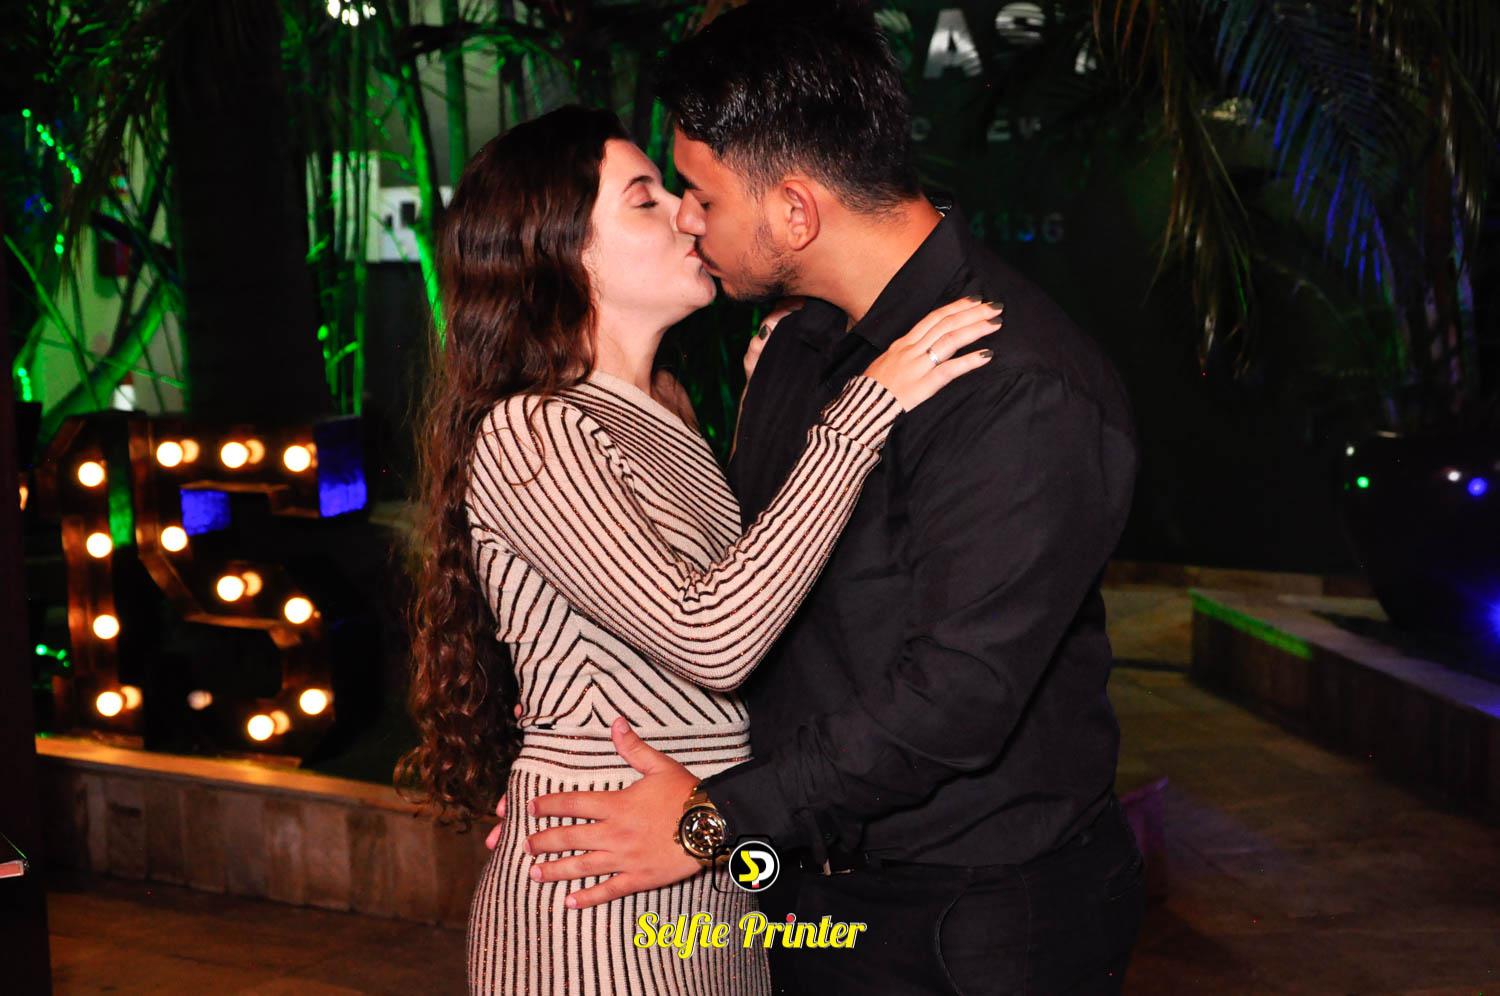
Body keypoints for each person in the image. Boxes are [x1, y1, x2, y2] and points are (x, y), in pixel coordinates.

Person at [506, 2, 1146, 993]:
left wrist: (712, 821)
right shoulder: (797, 346)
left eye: (701, 195)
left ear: (794, 212)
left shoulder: (1012, 382)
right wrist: (571, 767)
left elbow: (954, 698)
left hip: (966, 920)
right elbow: (751, 606)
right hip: (798, 884)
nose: (687, 218)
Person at [399, 103, 998, 995]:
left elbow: (760, 607)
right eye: (645, 199)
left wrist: (778, 413)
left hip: (701, 868)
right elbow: (712, 636)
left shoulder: (666, 412)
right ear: (559, 253)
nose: (687, 214)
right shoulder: (537, 427)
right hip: (598, 902)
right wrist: (862, 411)